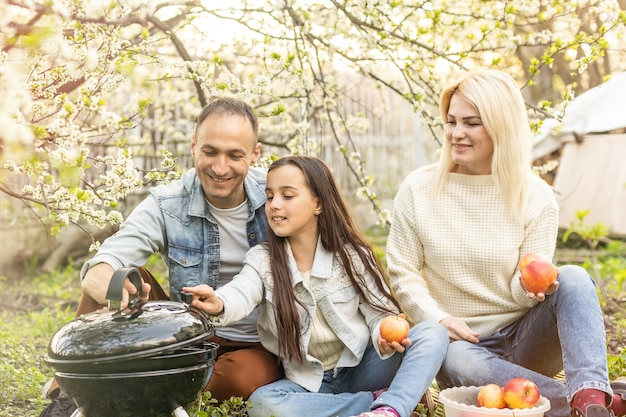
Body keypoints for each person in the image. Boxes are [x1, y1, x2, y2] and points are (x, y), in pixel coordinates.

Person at [385, 69, 626, 417]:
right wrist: (437, 319)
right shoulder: (419, 190)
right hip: (464, 349)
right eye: (451, 121)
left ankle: (589, 394)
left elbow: (526, 282)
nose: (457, 133)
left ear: (500, 127)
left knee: (574, 277)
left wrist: (530, 288)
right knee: (453, 355)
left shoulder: (535, 196)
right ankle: (596, 406)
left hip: (528, 338)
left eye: (471, 123)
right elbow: (403, 272)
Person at [40, 97, 284, 415]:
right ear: (194, 147)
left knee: (237, 381)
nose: (220, 167)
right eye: (210, 152)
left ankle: (148, 388)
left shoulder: (279, 196)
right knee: (122, 275)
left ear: (254, 154)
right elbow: (103, 263)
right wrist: (114, 290)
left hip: (255, 341)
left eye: (234, 155)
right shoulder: (168, 203)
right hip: (185, 335)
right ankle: (73, 385)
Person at [183, 155, 449, 417]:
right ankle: (382, 403)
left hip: (361, 369)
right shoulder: (263, 260)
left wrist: (384, 335)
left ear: (318, 203)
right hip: (309, 384)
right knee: (262, 404)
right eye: (270, 196)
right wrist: (219, 303)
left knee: (432, 333)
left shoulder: (352, 256)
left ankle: (389, 409)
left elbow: (380, 314)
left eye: (287, 196)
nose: (275, 205)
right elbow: (241, 291)